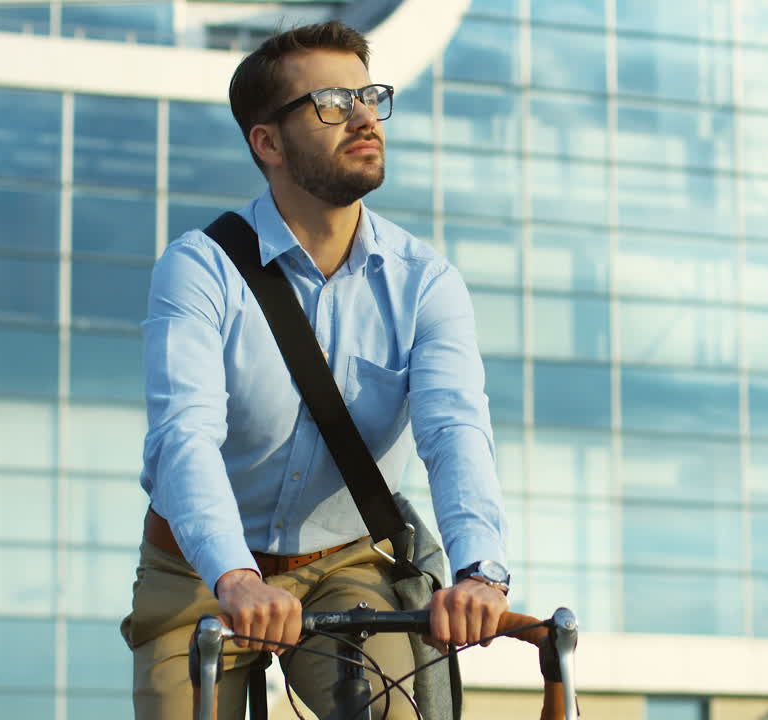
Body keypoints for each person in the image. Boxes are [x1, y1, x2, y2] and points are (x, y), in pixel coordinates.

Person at [120, 20, 511, 720]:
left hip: (342, 563)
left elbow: (455, 432)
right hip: (198, 568)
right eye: (332, 102)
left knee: (390, 711)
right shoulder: (199, 269)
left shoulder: (425, 283)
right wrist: (234, 576)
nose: (364, 117)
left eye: (369, 96)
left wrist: (479, 571)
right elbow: (184, 437)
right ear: (266, 142)